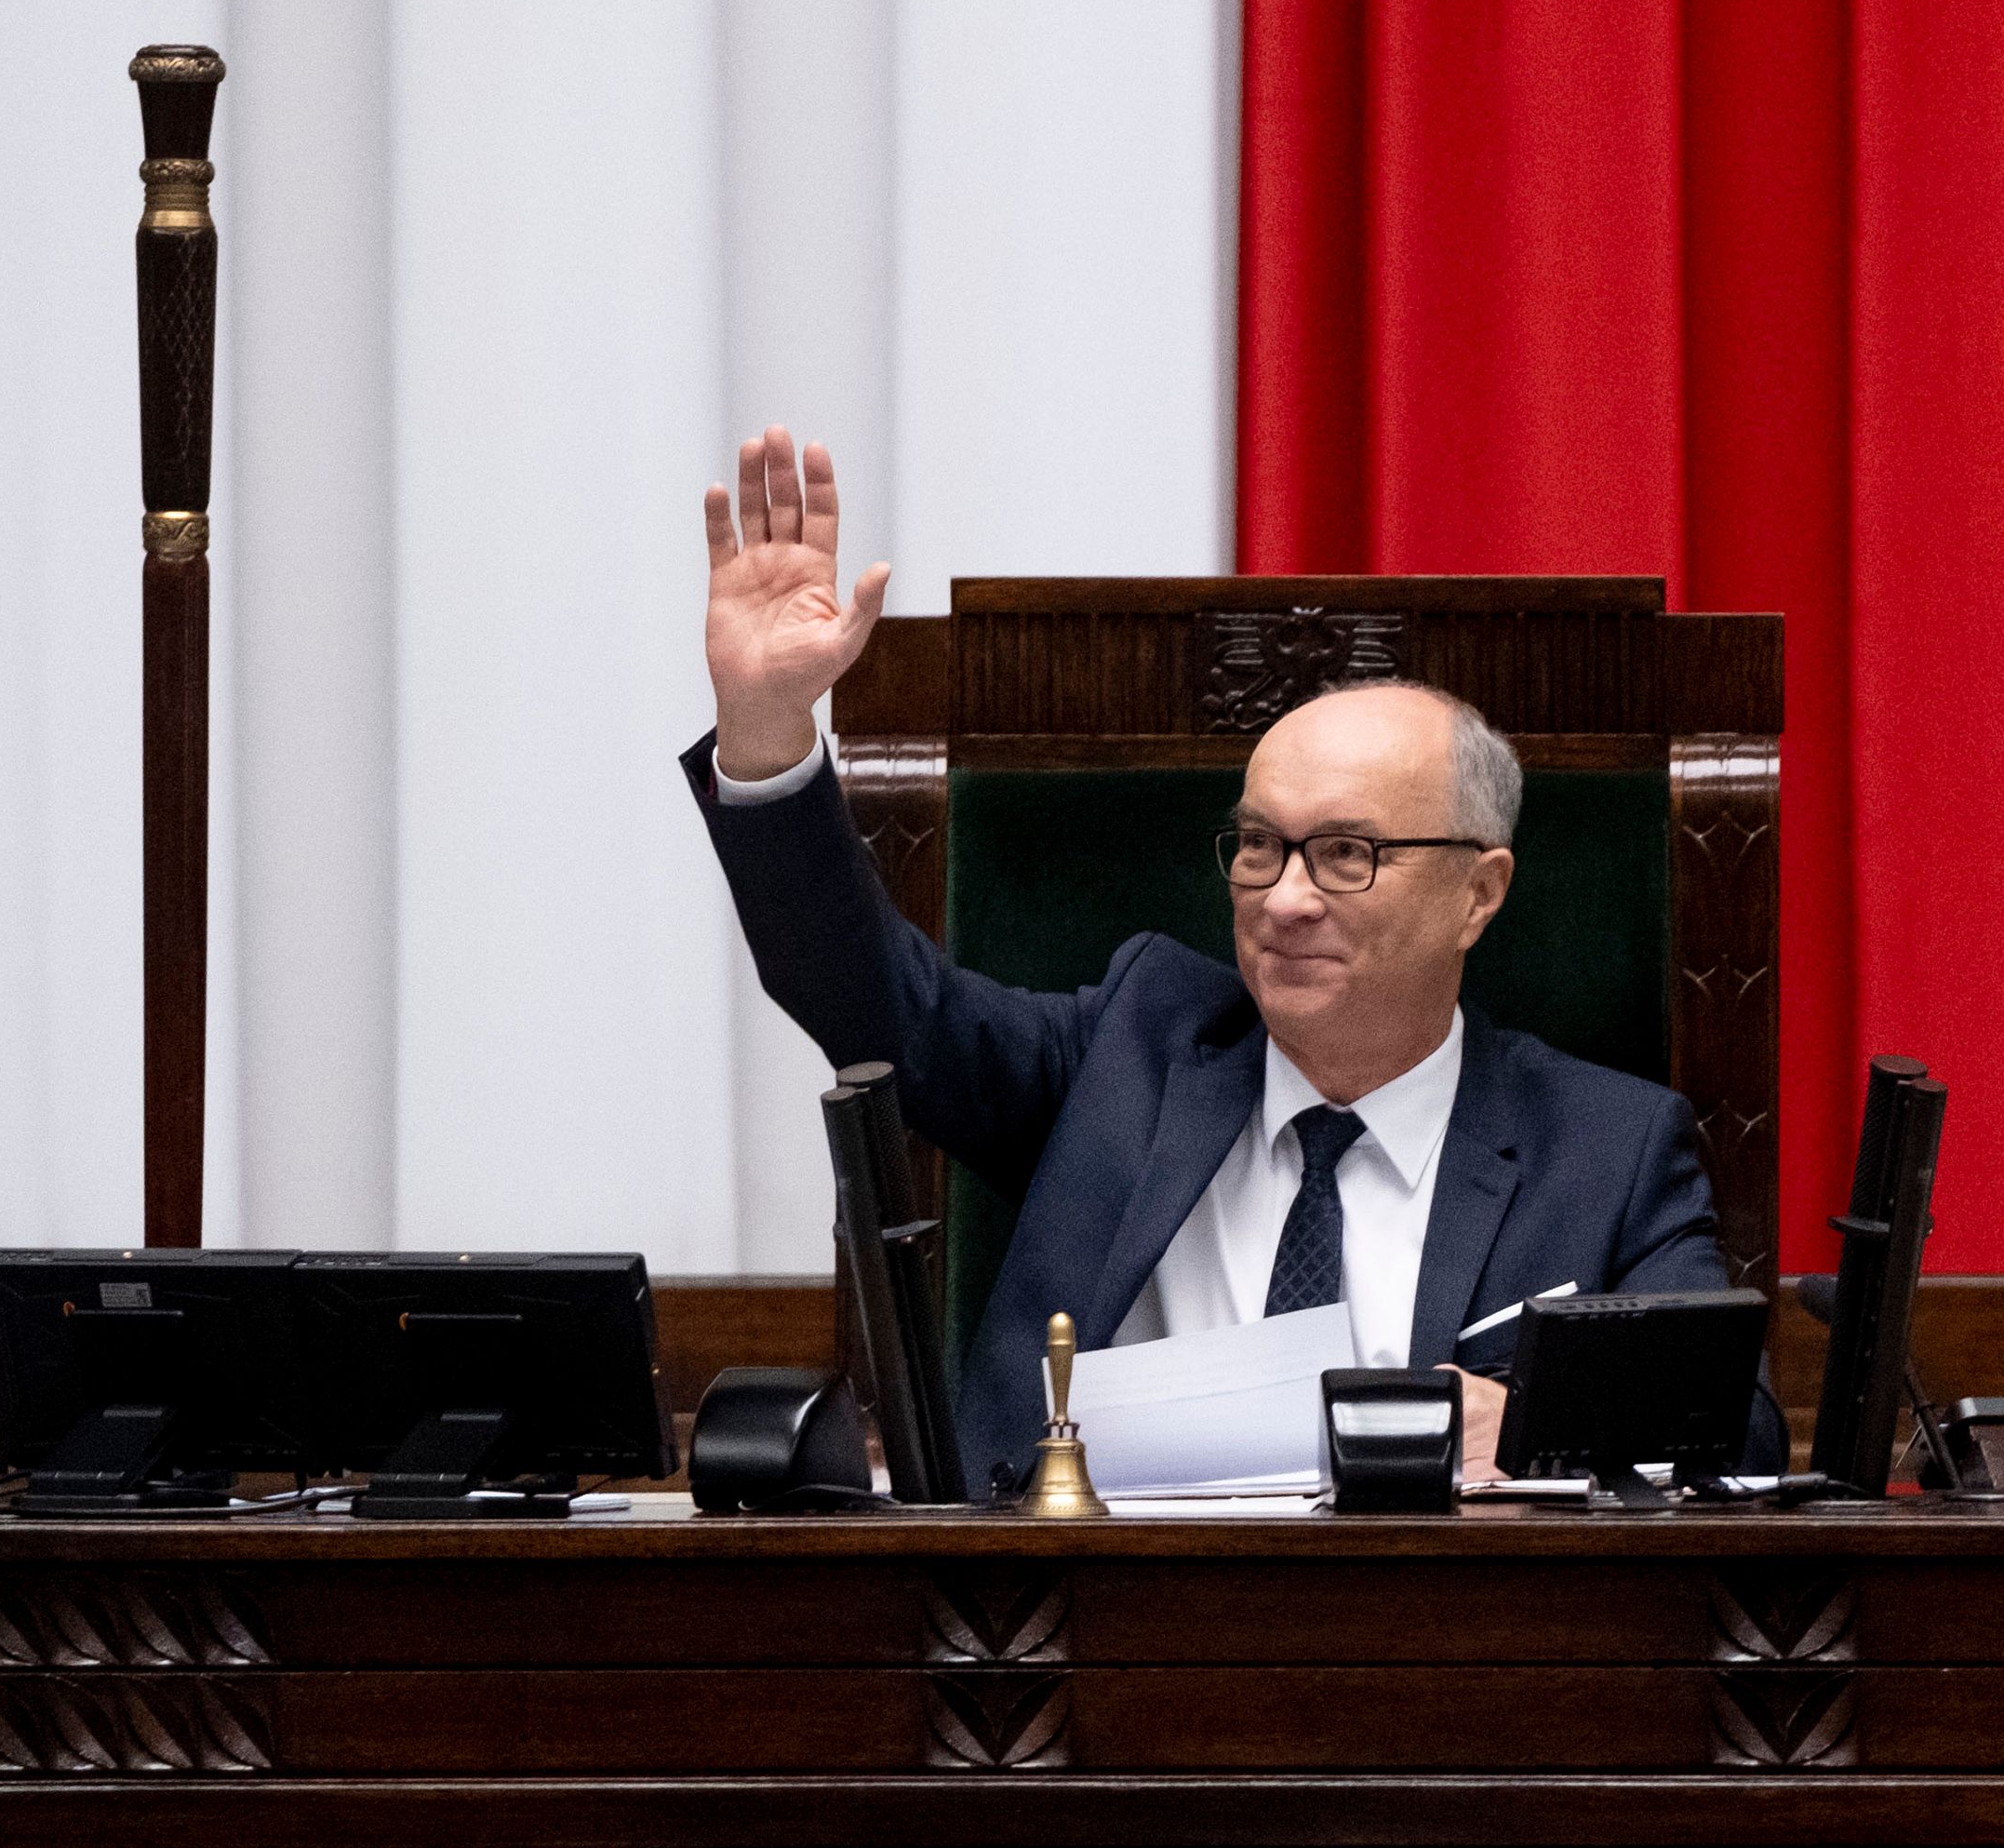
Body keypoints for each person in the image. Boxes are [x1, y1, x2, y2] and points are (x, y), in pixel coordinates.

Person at [683, 427, 1783, 1493]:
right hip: (1081, 1638)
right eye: (1259, 846)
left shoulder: (1605, 1146)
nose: (1286, 898)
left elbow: (1738, 1426)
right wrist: (771, 732)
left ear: (1478, 893)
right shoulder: (1128, 1055)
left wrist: (1539, 1420)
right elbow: (875, 1005)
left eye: (1347, 854)